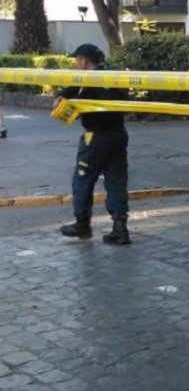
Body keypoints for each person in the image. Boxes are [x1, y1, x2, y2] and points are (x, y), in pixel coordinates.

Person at [54, 44, 131, 245]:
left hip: (96, 137)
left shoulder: (90, 80)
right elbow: (74, 87)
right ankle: (120, 228)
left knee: (82, 180)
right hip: (118, 135)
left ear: (85, 61)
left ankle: (82, 224)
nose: (76, 64)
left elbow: (76, 95)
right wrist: (65, 93)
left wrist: (63, 97)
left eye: (77, 60)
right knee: (116, 181)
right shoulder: (113, 75)